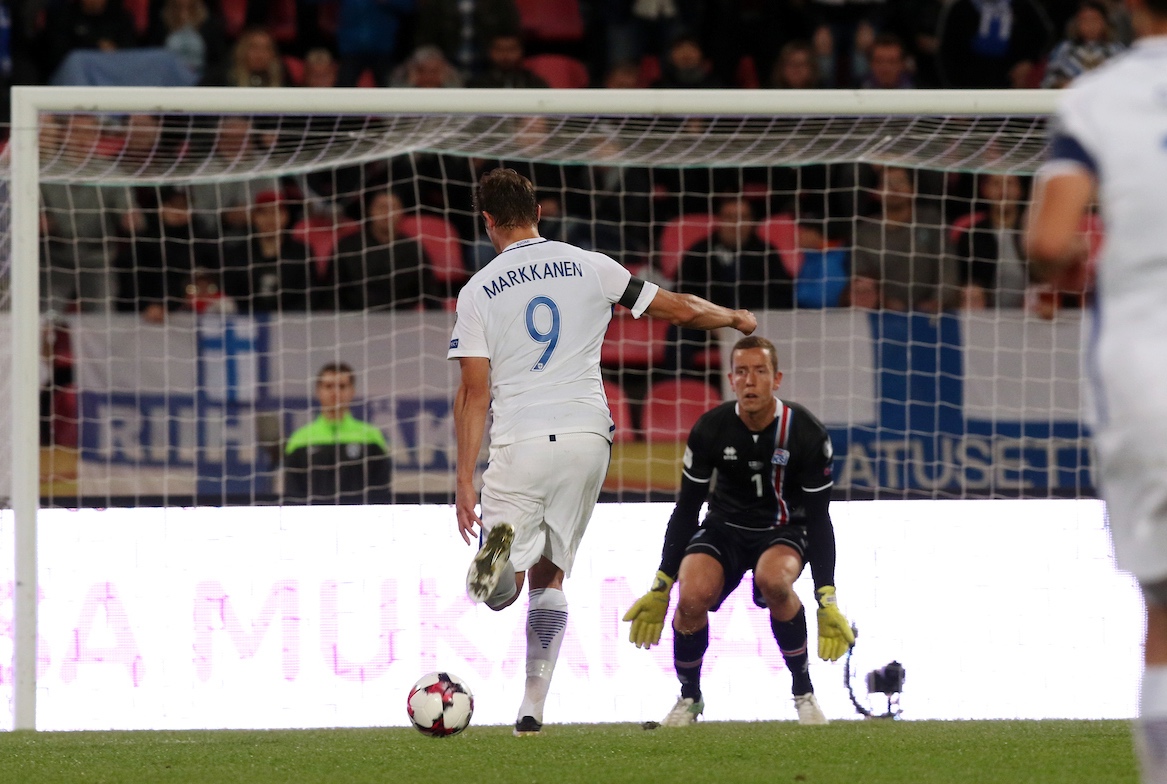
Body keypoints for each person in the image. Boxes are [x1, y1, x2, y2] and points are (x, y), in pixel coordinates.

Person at [448, 168, 757, 737]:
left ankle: (501, 560)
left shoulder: (478, 291)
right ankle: (532, 708)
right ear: (539, 212)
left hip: (521, 437)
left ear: (487, 221)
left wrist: (465, 479)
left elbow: (474, 391)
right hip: (588, 435)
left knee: (501, 595)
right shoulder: (591, 265)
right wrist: (734, 318)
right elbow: (679, 309)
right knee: (552, 576)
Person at [1025, 1, 1167, 779]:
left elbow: (1048, 242)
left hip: (1145, 374)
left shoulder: (1095, 97)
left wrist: (1070, 268)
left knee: (1164, 607)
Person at [623, 336, 852, 726]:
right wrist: (662, 583)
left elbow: (819, 519)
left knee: (774, 581)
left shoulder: (806, 432)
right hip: (724, 529)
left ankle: (803, 691)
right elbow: (687, 510)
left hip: (783, 528)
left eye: (760, 371)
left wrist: (826, 597)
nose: (750, 380)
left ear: (776, 379)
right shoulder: (711, 428)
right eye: (742, 372)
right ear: (730, 380)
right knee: (690, 597)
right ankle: (689, 698)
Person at [850, 166, 960, 312]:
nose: (894, 188)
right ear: (876, 192)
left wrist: (938, 300)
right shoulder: (865, 232)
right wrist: (885, 302)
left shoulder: (931, 220)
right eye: (888, 183)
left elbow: (947, 265)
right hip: (882, 313)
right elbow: (861, 276)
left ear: (913, 189)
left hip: (933, 312)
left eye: (900, 182)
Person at [284, 362, 391, 504]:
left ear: (352, 391)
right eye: (328, 386)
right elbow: (293, 494)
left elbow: (381, 492)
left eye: (342, 386)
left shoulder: (371, 436)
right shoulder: (300, 439)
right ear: (318, 391)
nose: (335, 392)